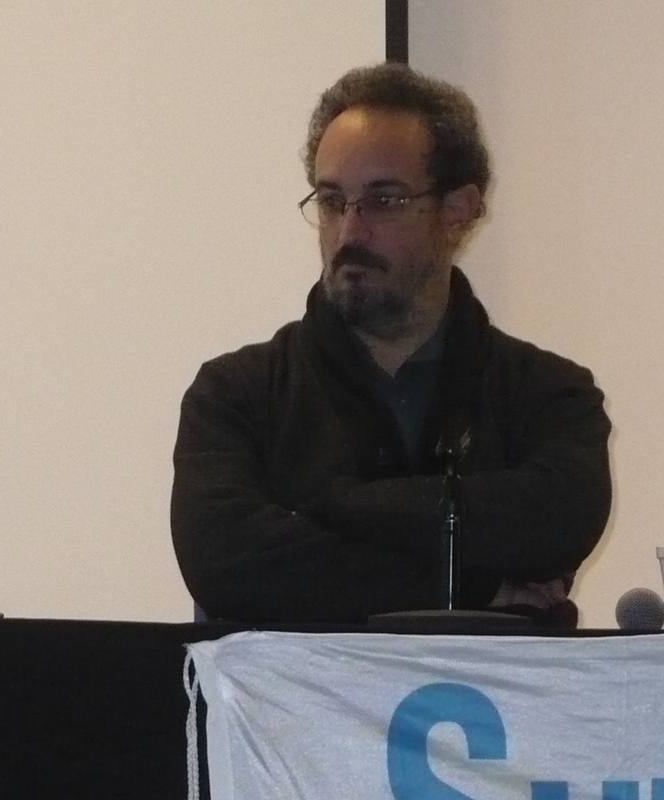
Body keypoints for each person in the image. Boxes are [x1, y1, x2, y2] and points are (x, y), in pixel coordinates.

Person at [170, 64, 611, 626]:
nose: (349, 231)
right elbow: (228, 564)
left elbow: (555, 529)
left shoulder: (551, 394)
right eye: (332, 201)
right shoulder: (236, 394)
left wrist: (330, 505)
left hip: (497, 689)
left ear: (458, 210)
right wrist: (478, 591)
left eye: (384, 201)